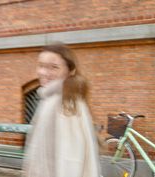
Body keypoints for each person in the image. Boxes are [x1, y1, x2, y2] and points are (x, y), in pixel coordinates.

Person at [22, 43, 101, 177]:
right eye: (41, 65)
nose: (43, 72)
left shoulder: (66, 103)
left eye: (54, 67)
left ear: (70, 71)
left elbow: (70, 161)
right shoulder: (51, 98)